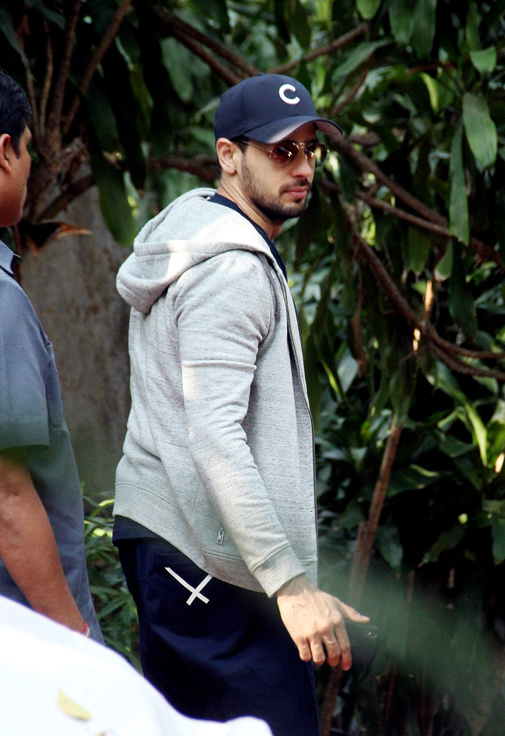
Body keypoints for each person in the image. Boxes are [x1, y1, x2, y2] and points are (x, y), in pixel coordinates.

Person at [113, 73, 369, 735]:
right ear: (230, 156)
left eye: (311, 150)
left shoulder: (200, 240)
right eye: (283, 152)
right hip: (198, 558)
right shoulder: (230, 271)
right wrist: (289, 583)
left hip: (191, 551)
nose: (304, 167)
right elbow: (215, 438)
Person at [0, 69, 101, 641]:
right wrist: (74, 641)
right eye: (31, 149)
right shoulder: (1, 304)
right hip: (27, 638)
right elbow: (8, 497)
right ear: (5, 151)